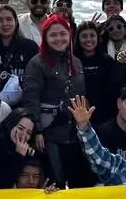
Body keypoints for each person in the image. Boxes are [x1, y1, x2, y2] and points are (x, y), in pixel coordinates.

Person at [23, 14, 88, 188]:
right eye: (53, 35)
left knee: (75, 181)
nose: (59, 39)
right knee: (55, 180)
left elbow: (81, 96)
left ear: (69, 35)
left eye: (62, 34)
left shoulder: (76, 63)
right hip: (48, 134)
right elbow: (31, 98)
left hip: (73, 133)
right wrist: (37, 130)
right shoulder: (37, 63)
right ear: (45, 37)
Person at [0, 4, 39, 106]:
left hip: (23, 105)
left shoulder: (30, 47)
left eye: (9, 19)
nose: (5, 24)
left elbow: (35, 80)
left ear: (16, 22)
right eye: (0, 20)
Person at [75, 21, 115, 125]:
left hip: (105, 117)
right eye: (84, 36)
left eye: (92, 35)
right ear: (78, 39)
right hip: (79, 117)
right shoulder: (73, 61)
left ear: (97, 37)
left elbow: (114, 88)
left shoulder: (107, 60)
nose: (88, 39)